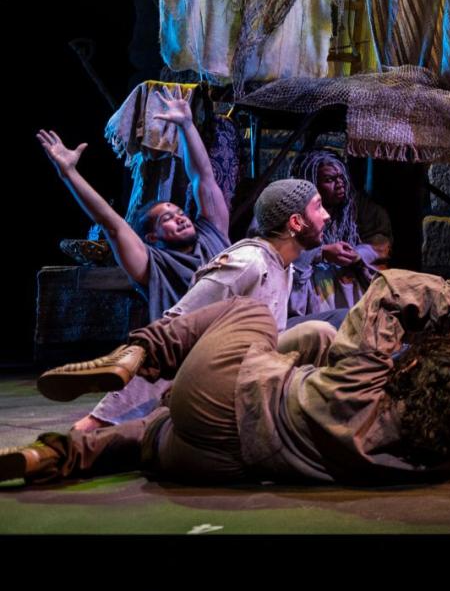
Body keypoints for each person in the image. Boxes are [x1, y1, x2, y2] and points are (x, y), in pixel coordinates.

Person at [1, 272, 450, 485]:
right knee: (148, 435)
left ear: (414, 370)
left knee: (251, 311)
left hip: (222, 394)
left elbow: (390, 290)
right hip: (225, 462)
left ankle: (139, 350)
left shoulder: (362, 381)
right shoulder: (443, 448)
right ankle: (49, 457)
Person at [79, 177, 332, 430]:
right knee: (317, 332)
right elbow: (173, 332)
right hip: (214, 380)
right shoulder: (248, 263)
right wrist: (101, 418)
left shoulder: (284, 265)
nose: (326, 215)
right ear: (296, 222)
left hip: (254, 371)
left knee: (321, 332)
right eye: (318, 206)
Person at [38, 95, 231, 321]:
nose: (180, 218)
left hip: (244, 324)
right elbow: (111, 224)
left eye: (180, 213)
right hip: (200, 335)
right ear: (151, 237)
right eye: (167, 218)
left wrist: (186, 126)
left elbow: (203, 177)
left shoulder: (211, 236)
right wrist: (69, 174)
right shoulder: (153, 266)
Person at [288, 149, 394, 323]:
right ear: (312, 184)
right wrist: (321, 253)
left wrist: (357, 254)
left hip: (350, 277)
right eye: (329, 180)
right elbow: (282, 250)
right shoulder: (294, 211)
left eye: (341, 177)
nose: (340, 184)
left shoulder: (359, 207)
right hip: (313, 285)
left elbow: (380, 242)